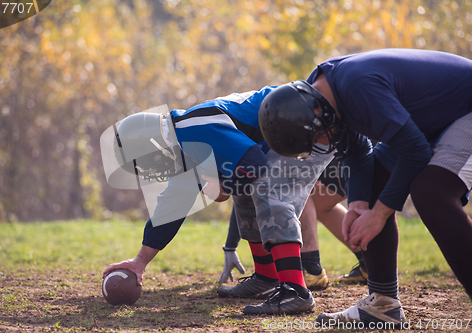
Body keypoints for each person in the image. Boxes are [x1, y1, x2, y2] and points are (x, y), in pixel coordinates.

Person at [258, 48, 472, 327]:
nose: (323, 141)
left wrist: (380, 214)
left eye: (317, 135)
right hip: (434, 119)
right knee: (372, 188)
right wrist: (359, 204)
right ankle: (383, 305)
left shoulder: (357, 85)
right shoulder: (322, 92)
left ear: (314, 110)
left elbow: (415, 152)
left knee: (431, 192)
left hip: (463, 108)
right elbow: (358, 152)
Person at [102, 87, 338, 315]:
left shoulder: (193, 130)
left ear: (153, 142)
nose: (149, 170)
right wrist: (140, 261)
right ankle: (267, 277)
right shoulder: (183, 143)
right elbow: (170, 210)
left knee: (267, 188)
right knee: (246, 189)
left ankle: (295, 291)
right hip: (291, 129)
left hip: (310, 126)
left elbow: (254, 163)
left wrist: (223, 186)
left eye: (145, 162)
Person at [217, 164, 368, 288]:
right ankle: (368, 263)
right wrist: (230, 247)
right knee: (320, 204)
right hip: (360, 150)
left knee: (295, 189)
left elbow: (245, 192)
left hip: (347, 153)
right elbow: (244, 194)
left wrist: (230, 246)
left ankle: (311, 269)